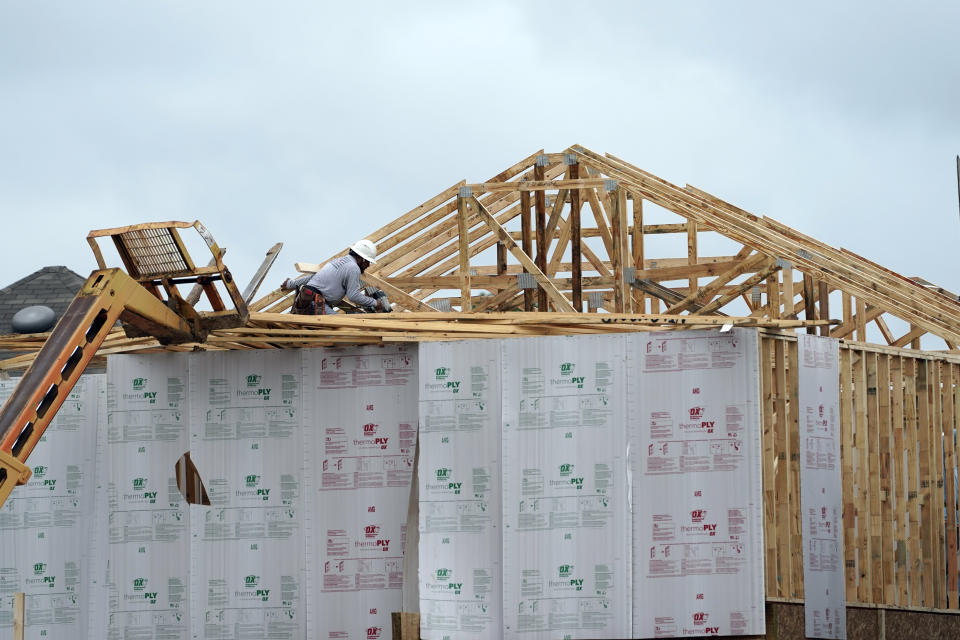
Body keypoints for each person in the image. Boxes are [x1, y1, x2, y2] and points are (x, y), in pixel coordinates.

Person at [280, 239, 386, 314]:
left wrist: (291, 284)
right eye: (368, 262)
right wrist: (375, 303)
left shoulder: (338, 261)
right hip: (316, 303)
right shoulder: (354, 268)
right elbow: (353, 296)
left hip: (304, 300)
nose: (368, 265)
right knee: (342, 326)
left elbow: (313, 278)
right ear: (362, 258)